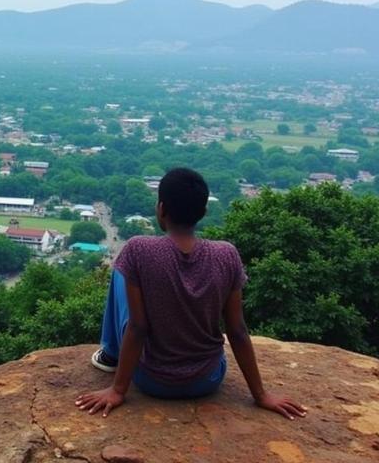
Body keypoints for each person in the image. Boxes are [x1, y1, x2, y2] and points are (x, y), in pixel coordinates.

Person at [75, 167, 307, 420]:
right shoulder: (226, 255)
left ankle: (111, 354)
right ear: (203, 213)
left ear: (161, 209)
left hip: (152, 380)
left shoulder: (138, 250)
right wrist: (261, 395)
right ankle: (111, 354)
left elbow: (138, 327)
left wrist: (118, 389)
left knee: (122, 272)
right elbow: (238, 330)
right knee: (128, 270)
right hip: (207, 379)